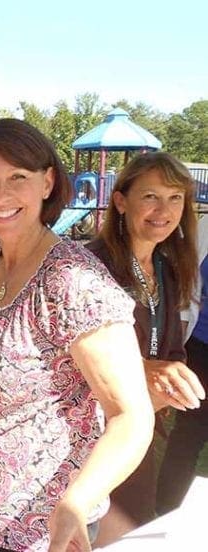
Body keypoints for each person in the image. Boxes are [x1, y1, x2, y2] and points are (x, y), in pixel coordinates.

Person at [0, 119, 155, 552]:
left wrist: (76, 504)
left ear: (48, 182)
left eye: (18, 177)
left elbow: (131, 417)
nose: (1, 196)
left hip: (39, 528)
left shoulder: (73, 281)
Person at [85, 152, 204, 544]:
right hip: (85, 441)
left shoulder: (168, 268)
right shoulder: (87, 266)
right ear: (121, 201)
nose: (164, 211)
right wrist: (141, 372)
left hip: (138, 436)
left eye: (175, 198)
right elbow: (63, 358)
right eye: (150, 196)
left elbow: (171, 351)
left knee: (127, 535)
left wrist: (169, 381)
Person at [156, 213, 208, 514]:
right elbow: (188, 289)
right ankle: (165, 518)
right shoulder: (203, 228)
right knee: (188, 437)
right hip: (201, 349)